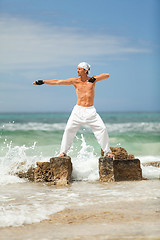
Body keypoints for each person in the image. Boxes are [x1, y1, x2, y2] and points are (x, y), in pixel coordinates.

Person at [33, 62, 114, 158]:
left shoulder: (93, 80)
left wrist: (94, 78)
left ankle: (107, 151)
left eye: (79, 69)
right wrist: (43, 81)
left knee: (102, 129)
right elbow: (58, 81)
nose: (77, 71)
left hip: (90, 110)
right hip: (78, 110)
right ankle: (63, 152)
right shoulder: (75, 81)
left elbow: (107, 75)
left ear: (85, 70)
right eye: (77, 69)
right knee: (68, 130)